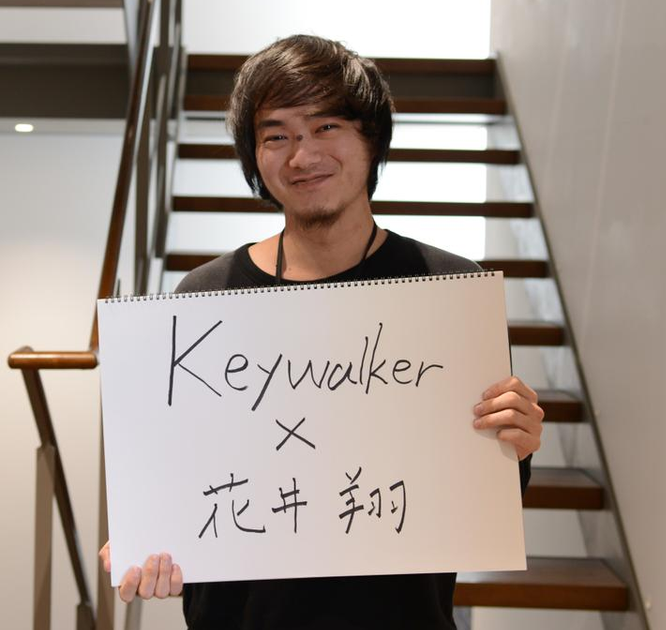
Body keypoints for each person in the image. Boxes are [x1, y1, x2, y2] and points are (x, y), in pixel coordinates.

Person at [100, 34, 545, 629]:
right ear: (254, 157)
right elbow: (179, 476)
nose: (302, 156)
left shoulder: (447, 293)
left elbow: (477, 495)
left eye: (326, 126)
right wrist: (147, 533)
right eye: (276, 136)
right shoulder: (206, 298)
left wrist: (516, 443)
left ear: (371, 139)